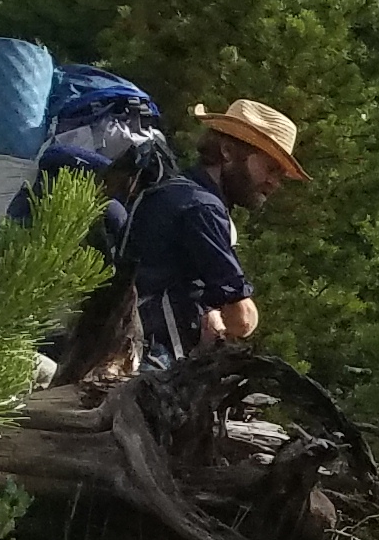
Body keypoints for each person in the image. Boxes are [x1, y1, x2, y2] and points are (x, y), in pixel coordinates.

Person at [123, 97, 303, 371]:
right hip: (149, 362)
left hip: (129, 345)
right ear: (228, 151)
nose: (274, 183)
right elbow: (242, 318)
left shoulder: (179, 191)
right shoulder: (202, 208)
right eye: (270, 168)